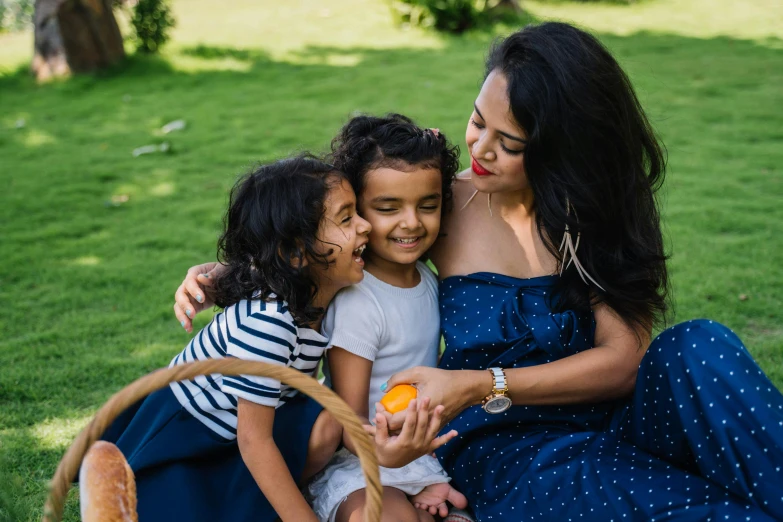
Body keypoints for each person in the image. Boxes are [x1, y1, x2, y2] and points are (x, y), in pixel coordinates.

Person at [175, 23, 783, 522]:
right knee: (685, 505)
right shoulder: (444, 208)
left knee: (697, 345)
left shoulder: (591, 218)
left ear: (562, 147)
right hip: (513, 449)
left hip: (613, 420)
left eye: (509, 142)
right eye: (476, 120)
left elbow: (625, 359)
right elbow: (330, 223)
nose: (480, 149)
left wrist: (480, 381)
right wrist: (232, 273)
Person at [104, 155, 376, 522]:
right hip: (192, 437)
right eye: (346, 218)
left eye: (358, 212)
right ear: (296, 253)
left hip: (242, 426)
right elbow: (254, 440)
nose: (365, 226)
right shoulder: (270, 323)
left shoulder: (319, 290)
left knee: (328, 420)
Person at [307, 114, 468, 522]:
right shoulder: (360, 301)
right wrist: (389, 456)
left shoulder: (430, 281)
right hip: (362, 461)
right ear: (356, 212)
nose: (411, 222)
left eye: (427, 206)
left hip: (418, 455)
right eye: (387, 207)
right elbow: (348, 420)